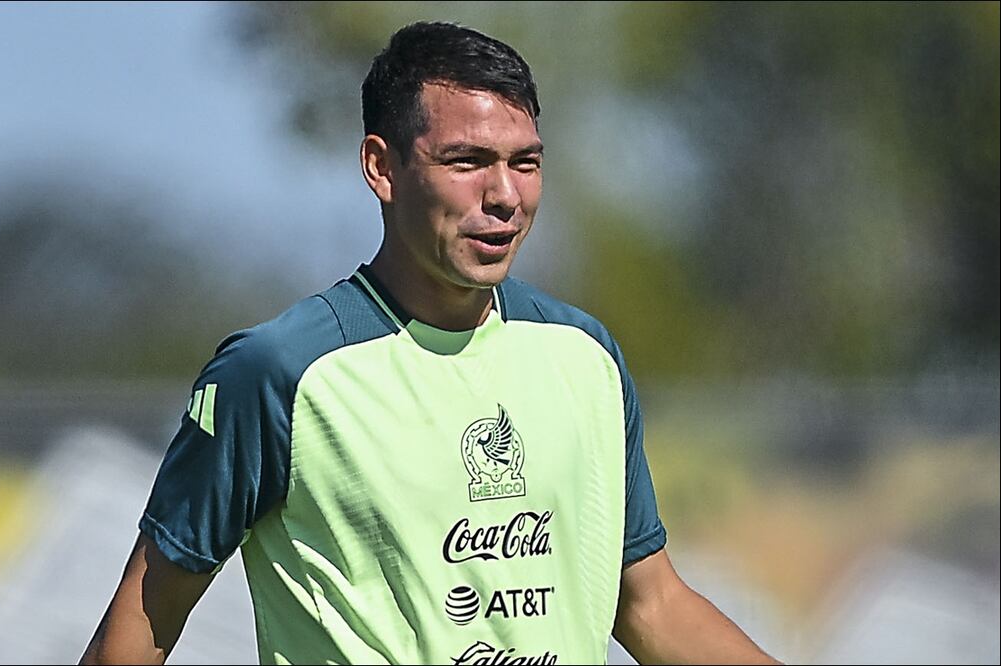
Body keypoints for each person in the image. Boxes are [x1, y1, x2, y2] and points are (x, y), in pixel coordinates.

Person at [81, 21, 779, 666]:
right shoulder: (280, 374)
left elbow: (649, 602)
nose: (504, 194)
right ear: (380, 168)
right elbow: (145, 617)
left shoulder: (582, 355)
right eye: (466, 161)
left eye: (525, 162)